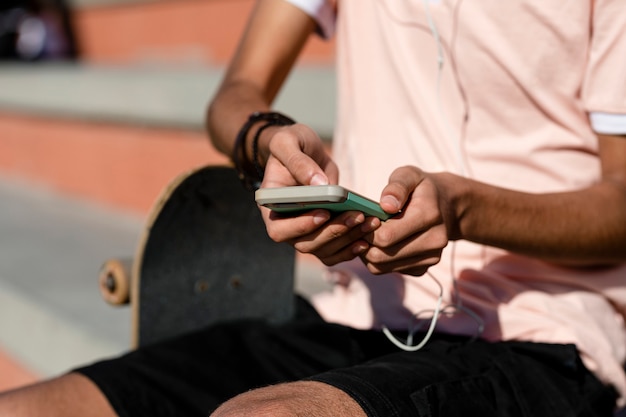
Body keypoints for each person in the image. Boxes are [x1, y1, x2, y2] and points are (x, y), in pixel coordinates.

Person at [0, 0, 625, 416]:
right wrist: (267, 138)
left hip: (542, 332)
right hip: (356, 312)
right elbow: (236, 95)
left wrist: (465, 210)